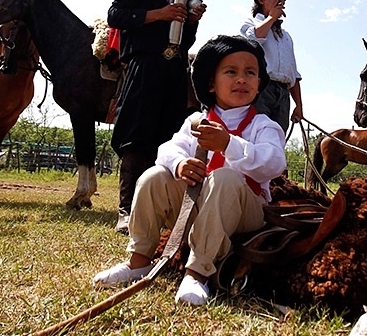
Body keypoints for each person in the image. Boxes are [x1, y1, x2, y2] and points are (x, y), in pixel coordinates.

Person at [92, 35, 287, 306]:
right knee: (154, 176)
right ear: (210, 82)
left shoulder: (263, 125)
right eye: (231, 71)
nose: (241, 79)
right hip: (196, 209)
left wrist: (228, 144)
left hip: (246, 215)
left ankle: (197, 273)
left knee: (225, 177)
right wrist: (180, 165)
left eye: (250, 73)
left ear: (258, 85)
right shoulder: (196, 121)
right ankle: (139, 261)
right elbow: (168, 150)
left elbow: (274, 163)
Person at [107, 0, 207, 234]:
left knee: (170, 134)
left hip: (174, 68)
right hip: (145, 64)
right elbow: (116, 15)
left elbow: (186, 40)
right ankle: (126, 210)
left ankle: (160, 208)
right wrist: (158, 14)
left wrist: (192, 21)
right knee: (137, 134)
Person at [240, 0, 303, 135]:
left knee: (277, 140)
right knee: (255, 135)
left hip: (283, 94)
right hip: (260, 89)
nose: (280, 0)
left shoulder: (286, 37)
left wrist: (299, 105)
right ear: (261, 0)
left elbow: (293, 73)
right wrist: (271, 18)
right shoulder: (250, 23)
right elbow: (255, 39)